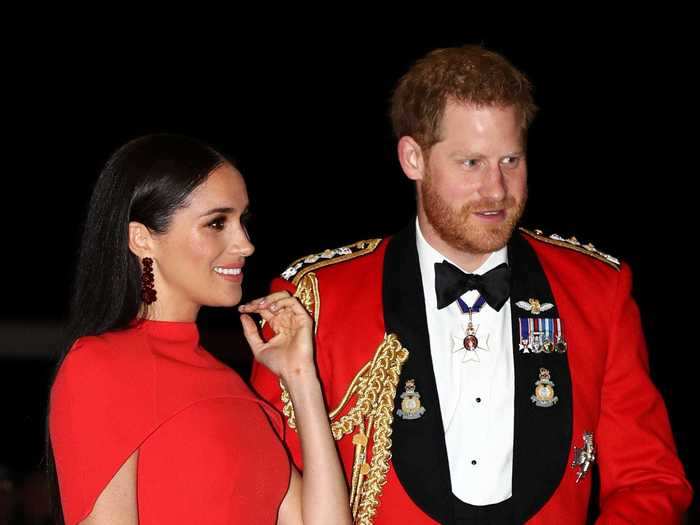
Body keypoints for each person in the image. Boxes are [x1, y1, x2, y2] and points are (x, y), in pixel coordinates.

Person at [250, 45, 693, 524]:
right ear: (413, 158)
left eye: (510, 160)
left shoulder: (595, 290)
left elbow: (650, 481)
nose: (497, 190)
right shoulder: (316, 300)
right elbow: (271, 489)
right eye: (471, 163)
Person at [48, 134, 352, 525]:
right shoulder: (99, 366)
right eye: (216, 223)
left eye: (242, 221)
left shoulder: (227, 385)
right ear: (142, 239)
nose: (244, 244)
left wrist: (300, 376)